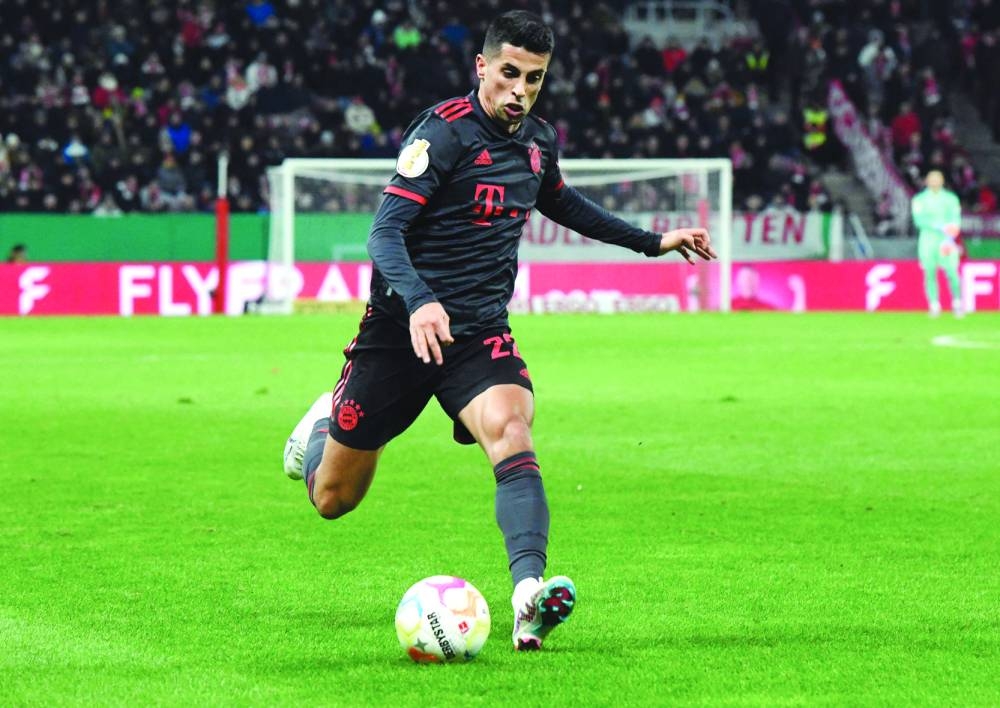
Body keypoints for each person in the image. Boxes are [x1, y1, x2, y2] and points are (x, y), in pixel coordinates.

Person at [281, 10, 716, 652]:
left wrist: (653, 241)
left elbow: (564, 203)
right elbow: (384, 234)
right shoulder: (443, 134)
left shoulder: (538, 143)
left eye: (533, 79)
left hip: (479, 334)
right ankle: (321, 424)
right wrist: (422, 300)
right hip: (401, 331)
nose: (520, 89)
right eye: (509, 73)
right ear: (482, 67)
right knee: (333, 499)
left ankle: (527, 598)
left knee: (513, 430)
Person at [911, 170, 963, 317]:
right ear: (927, 181)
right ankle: (934, 304)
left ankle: (957, 302)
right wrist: (937, 225)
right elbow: (918, 220)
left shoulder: (951, 199)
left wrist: (951, 232)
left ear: (942, 181)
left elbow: (956, 218)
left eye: (937, 179)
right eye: (931, 179)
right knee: (929, 273)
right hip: (928, 240)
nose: (934, 182)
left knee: (952, 272)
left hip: (946, 240)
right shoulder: (919, 200)